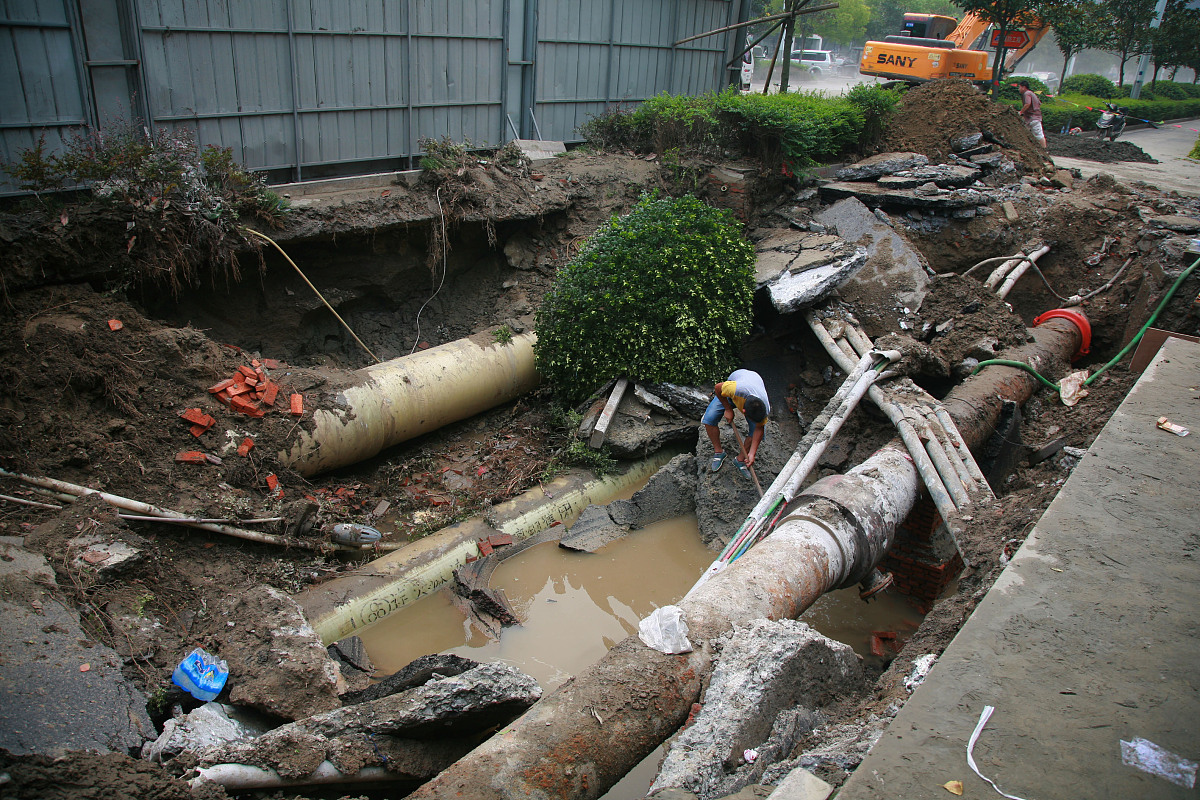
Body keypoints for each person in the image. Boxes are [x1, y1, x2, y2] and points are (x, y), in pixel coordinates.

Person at [702, 369, 770, 479]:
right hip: (734, 387)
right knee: (709, 419)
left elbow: (759, 429)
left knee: (754, 432)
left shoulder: (764, 409)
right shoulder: (735, 389)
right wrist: (728, 409)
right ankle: (719, 452)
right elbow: (718, 388)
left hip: (753, 382)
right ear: (743, 411)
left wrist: (752, 453)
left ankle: (740, 460)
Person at [1017, 81, 1047, 149]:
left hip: (1033, 118)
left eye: (1019, 87)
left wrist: (1021, 112)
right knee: (1025, 133)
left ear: (1023, 87)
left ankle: (1044, 150)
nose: (1018, 89)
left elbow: (1028, 104)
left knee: (1039, 135)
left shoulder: (1027, 93)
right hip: (1030, 118)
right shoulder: (1031, 93)